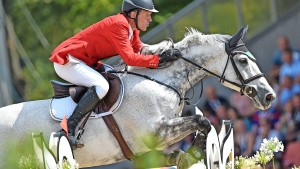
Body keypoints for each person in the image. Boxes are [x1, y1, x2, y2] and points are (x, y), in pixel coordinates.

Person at [49, 0, 181, 149]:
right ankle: (68, 129)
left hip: (85, 61)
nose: (150, 19)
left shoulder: (132, 28)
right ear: (133, 14)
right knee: (102, 86)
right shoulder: (119, 25)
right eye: (147, 14)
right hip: (68, 61)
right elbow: (130, 58)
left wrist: (163, 53)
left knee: (115, 76)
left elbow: (140, 49)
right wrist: (158, 60)